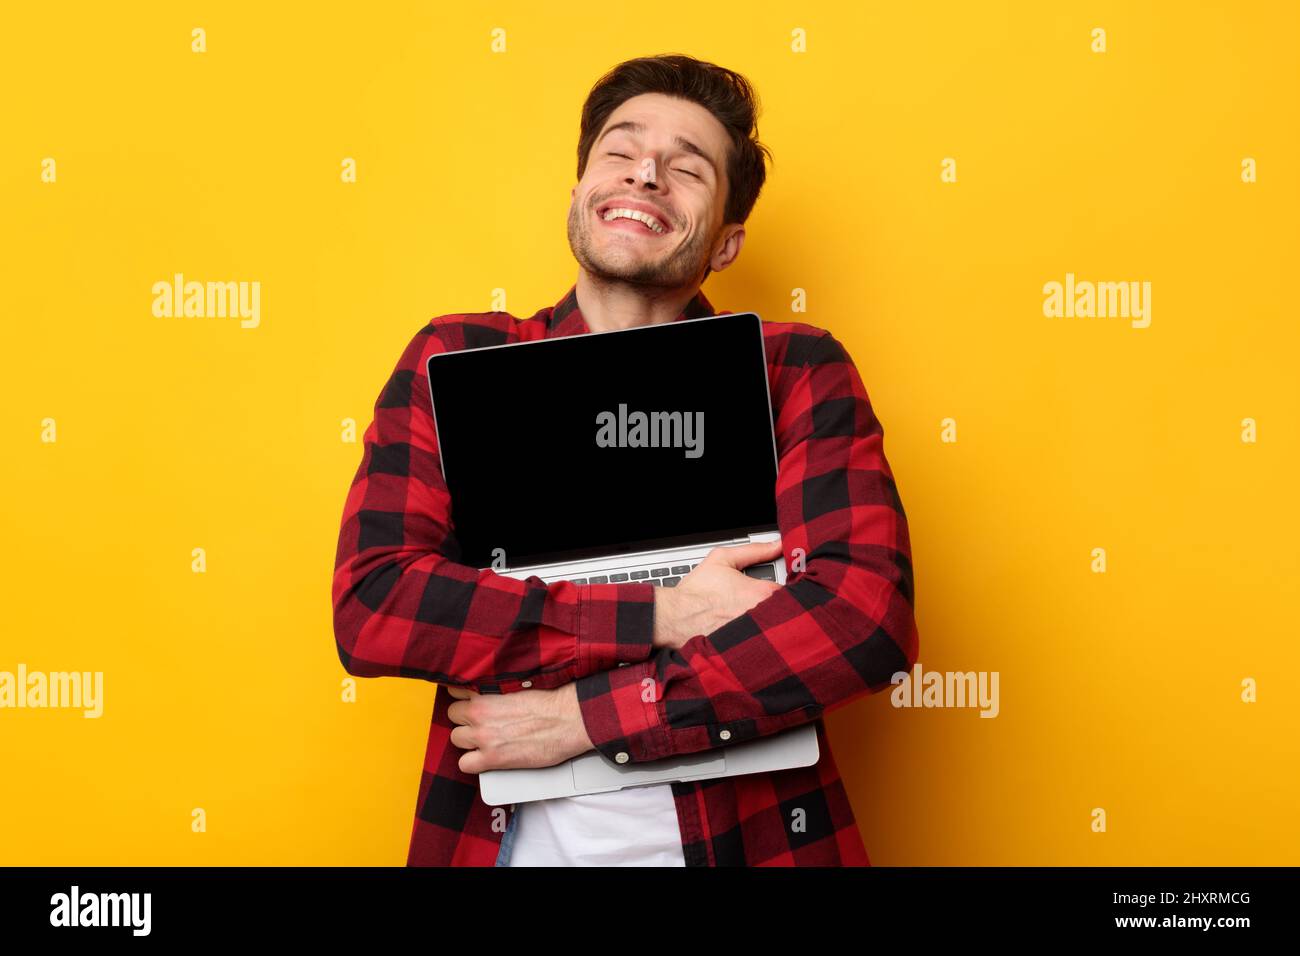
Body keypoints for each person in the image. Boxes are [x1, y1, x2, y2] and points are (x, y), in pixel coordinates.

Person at [331, 53, 919, 866]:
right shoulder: (459, 356)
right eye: (620, 151)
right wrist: (663, 614)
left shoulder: (794, 369)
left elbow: (861, 620)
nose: (645, 174)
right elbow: (377, 603)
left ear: (724, 244)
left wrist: (581, 717)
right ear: (578, 193)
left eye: (686, 169)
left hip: (751, 840)